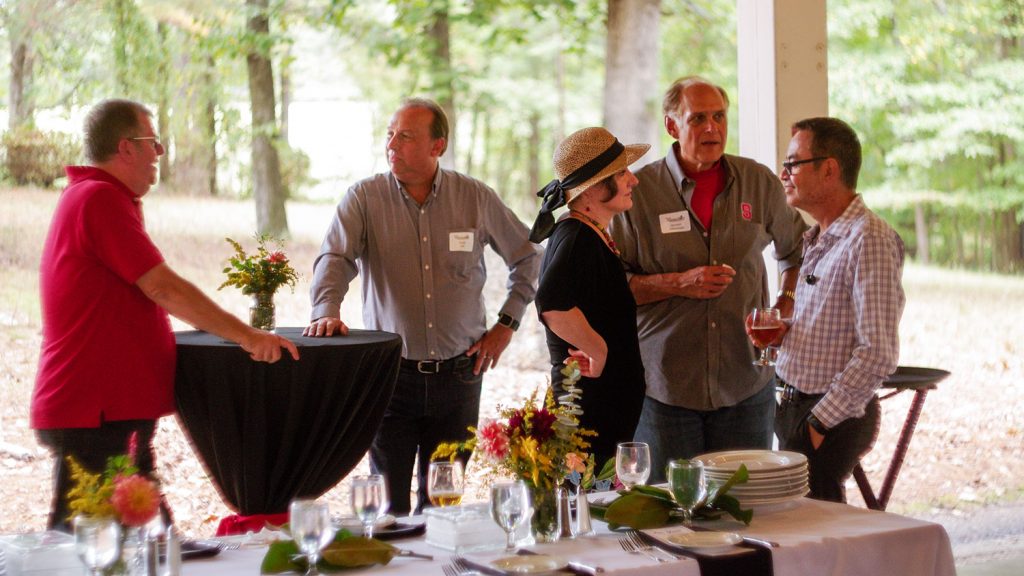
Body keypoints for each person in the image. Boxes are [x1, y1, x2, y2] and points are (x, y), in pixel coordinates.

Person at [32, 98, 300, 531]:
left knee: (147, 544)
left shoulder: (100, 197)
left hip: (112, 413)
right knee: (92, 550)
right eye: (152, 142)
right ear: (126, 148)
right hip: (95, 414)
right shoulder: (98, 198)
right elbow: (163, 286)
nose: (159, 153)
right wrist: (249, 337)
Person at [305, 98, 541, 515]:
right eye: (390, 134)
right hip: (390, 379)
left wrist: (507, 324)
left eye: (406, 136)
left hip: (460, 378)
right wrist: (327, 309)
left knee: (443, 506)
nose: (392, 144)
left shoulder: (475, 198)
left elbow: (528, 258)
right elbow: (335, 258)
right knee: (388, 509)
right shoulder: (364, 197)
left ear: (438, 146)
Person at [609, 76, 807, 481]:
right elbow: (613, 288)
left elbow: (797, 250)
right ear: (671, 126)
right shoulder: (637, 193)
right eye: (698, 118)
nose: (711, 127)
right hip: (665, 389)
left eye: (718, 116)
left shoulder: (758, 182)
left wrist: (785, 301)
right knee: (670, 513)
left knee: (745, 508)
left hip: (746, 383)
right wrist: (680, 282)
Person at [753, 116, 905, 503]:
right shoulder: (819, 236)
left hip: (826, 413)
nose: (783, 174)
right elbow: (832, 324)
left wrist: (818, 423)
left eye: (793, 163)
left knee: (817, 539)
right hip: (791, 404)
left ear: (829, 169)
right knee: (801, 530)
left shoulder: (869, 238)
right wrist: (787, 330)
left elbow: (878, 352)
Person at [530, 127, 650, 467]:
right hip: (589, 414)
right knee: (585, 510)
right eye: (623, 172)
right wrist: (598, 351)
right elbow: (552, 304)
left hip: (602, 410)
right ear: (594, 188)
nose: (633, 180)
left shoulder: (587, 233)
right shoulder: (577, 236)